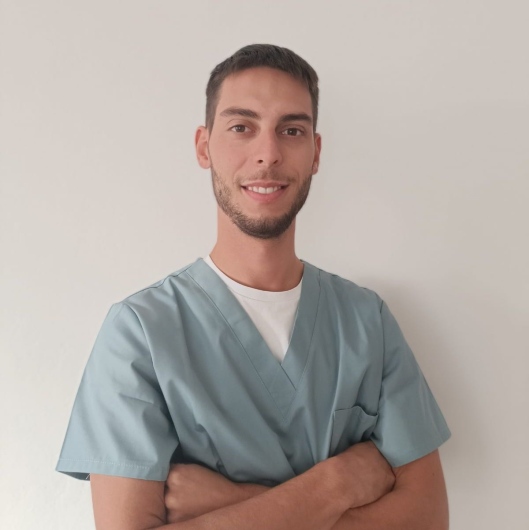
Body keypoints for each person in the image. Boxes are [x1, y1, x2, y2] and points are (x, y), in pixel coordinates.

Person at [56, 44, 451, 529]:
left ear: (315, 153)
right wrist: (340, 482)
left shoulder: (367, 321)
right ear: (204, 147)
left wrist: (227, 503)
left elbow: (429, 519)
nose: (268, 154)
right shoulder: (140, 332)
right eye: (242, 127)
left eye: (292, 130)